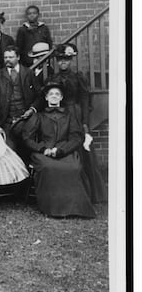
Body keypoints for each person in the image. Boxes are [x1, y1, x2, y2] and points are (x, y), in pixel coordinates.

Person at [23, 82, 95, 218]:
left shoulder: (69, 115)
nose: (54, 96)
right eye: (51, 94)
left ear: (61, 98)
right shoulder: (39, 116)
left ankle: (75, 208)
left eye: (57, 94)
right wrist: (42, 148)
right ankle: (54, 208)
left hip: (64, 151)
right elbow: (27, 138)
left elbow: (76, 137)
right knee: (49, 167)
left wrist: (61, 150)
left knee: (74, 167)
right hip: (44, 152)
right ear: (46, 98)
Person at [47, 43, 107, 203]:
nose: (62, 63)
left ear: (71, 60)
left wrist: (85, 123)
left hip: (75, 114)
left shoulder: (78, 77)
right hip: (60, 115)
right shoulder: (53, 78)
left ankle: (90, 192)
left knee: (82, 149)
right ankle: (67, 191)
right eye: (60, 60)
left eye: (66, 59)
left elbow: (85, 100)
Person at [0, 46, 40, 161]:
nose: (7, 60)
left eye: (11, 57)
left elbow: (39, 95)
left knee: (28, 148)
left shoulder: (28, 73)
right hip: (7, 119)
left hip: (26, 120)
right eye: (5, 57)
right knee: (9, 151)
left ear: (18, 57)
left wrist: (31, 109)